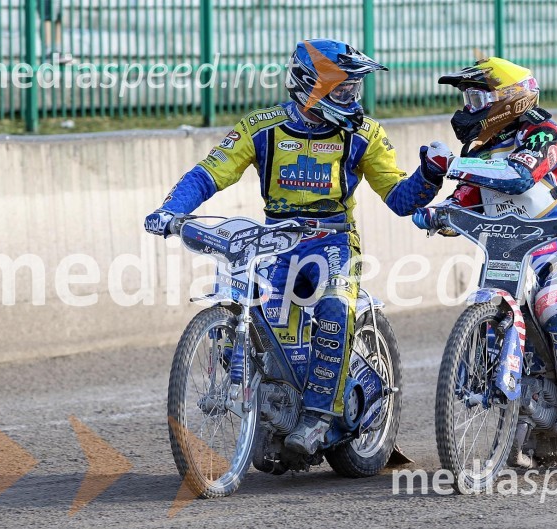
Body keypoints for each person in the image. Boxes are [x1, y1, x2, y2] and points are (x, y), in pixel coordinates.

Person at [145, 39, 453, 455]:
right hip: (274, 240)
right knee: (246, 312)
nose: (353, 99)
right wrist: (170, 211)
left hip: (334, 240)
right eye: (343, 90)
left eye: (355, 90)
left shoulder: (365, 134)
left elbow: (399, 199)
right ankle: (273, 407)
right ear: (311, 86)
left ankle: (319, 417)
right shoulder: (262, 127)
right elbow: (207, 174)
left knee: (332, 306)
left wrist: (430, 177)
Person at [413, 57, 557, 438]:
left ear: (509, 100)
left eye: (476, 98)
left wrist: (452, 164)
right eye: (467, 100)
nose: (469, 109)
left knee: (556, 298)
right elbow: (464, 201)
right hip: (513, 253)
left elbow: (518, 177)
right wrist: (436, 214)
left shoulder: (544, 134)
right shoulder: (480, 151)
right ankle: (521, 399)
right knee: (493, 301)